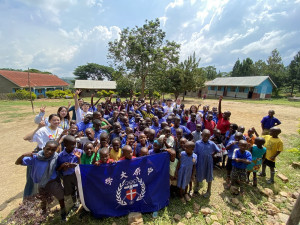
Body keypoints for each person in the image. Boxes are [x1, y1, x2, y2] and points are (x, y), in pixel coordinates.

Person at [15, 140, 67, 221]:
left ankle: (63, 213)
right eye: (48, 149)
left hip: (52, 182)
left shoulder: (56, 158)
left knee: (60, 198)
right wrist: (23, 155)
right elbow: (17, 163)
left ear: (56, 150)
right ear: (43, 148)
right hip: (41, 183)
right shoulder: (35, 157)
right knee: (43, 199)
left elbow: (59, 168)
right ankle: (43, 214)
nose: (50, 152)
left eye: (53, 150)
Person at [57, 135, 82, 210]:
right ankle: (75, 202)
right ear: (65, 145)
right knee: (71, 191)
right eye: (72, 144)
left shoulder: (78, 152)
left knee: (79, 188)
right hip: (67, 176)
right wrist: (63, 166)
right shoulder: (60, 156)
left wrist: (77, 161)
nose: (74, 146)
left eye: (75, 144)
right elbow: (58, 168)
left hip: (76, 175)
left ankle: (81, 201)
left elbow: (81, 165)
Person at [194, 129, 220, 198]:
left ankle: (208, 190)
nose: (206, 138)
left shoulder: (211, 143)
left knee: (209, 175)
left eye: (208, 136)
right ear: (201, 135)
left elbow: (217, 150)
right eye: (205, 136)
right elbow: (195, 152)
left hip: (208, 162)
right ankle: (197, 186)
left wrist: (212, 154)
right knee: (198, 173)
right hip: (199, 161)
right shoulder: (197, 143)